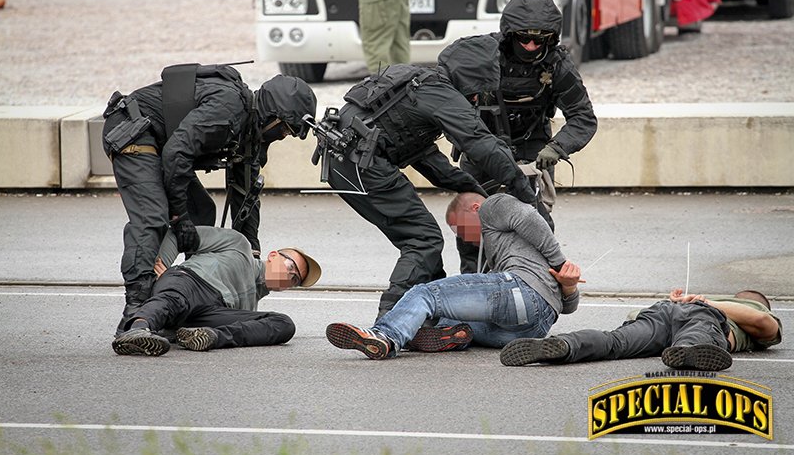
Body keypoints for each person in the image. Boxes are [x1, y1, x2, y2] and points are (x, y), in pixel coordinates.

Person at [322, 45, 538, 318]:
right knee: (423, 239)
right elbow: (481, 144)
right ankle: (390, 320)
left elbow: (430, 161)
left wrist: (473, 189)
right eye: (477, 91)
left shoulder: (416, 84)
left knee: (422, 241)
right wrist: (524, 193)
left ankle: (431, 313)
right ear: (470, 79)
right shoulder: (442, 93)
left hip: (342, 162)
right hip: (363, 163)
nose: (475, 98)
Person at [102, 64, 316, 334]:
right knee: (152, 217)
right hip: (133, 130)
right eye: (285, 129)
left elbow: (246, 193)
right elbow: (176, 154)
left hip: (163, 146)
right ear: (273, 116)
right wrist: (179, 219)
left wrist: (251, 253)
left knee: (201, 213)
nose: (284, 136)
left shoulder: (250, 131)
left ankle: (182, 290)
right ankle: (136, 307)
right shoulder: (228, 109)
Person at [439, 0, 597, 272]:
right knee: (470, 225)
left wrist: (557, 148)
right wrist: (465, 134)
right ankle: (470, 288)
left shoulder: (557, 64)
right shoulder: (481, 56)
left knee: (534, 223)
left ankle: (537, 284)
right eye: (524, 38)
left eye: (540, 39)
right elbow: (445, 100)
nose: (532, 46)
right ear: (509, 33)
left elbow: (583, 117)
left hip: (531, 151)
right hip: (482, 147)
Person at [325, 191, 585, 359]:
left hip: (520, 290)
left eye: (459, 228)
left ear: (473, 208)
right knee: (449, 317)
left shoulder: (493, 206)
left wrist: (560, 263)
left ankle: (385, 336)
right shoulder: (505, 254)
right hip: (533, 326)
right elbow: (568, 307)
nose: (462, 237)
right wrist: (569, 287)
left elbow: (529, 216)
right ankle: (452, 335)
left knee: (425, 293)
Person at [112, 226, 321, 356]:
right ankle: (137, 329)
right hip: (192, 281)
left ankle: (208, 337)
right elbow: (179, 234)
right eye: (291, 267)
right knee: (175, 299)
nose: (290, 278)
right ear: (274, 255)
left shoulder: (250, 306)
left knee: (284, 323)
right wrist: (161, 269)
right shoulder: (239, 245)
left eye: (296, 280)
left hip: (210, 314)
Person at [499, 288, 782, 371]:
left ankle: (565, 345)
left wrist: (682, 303)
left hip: (662, 313)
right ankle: (688, 352)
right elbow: (763, 324)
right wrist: (703, 301)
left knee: (615, 342)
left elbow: (634, 317)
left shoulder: (745, 307)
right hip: (696, 314)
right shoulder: (737, 307)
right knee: (699, 330)